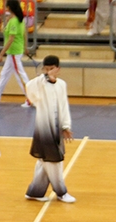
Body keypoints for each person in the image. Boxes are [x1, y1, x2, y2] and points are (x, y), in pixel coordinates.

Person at [24, 55, 76, 203]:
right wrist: (45, 77)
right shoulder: (39, 84)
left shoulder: (61, 85)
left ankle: (35, 192)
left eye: (52, 69)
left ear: (58, 69)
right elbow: (30, 90)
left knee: (44, 162)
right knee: (54, 162)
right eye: (46, 69)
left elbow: (64, 105)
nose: (49, 72)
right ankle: (61, 192)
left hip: (57, 127)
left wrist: (66, 126)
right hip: (44, 128)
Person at [0, 0, 30, 107]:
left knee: (21, 76)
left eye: (6, 6)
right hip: (14, 52)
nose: (5, 8)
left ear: (10, 8)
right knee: (4, 75)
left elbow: (11, 39)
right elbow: (24, 34)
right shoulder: (18, 19)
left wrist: (1, 54)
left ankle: (30, 99)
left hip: (14, 52)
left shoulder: (14, 21)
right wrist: (25, 47)